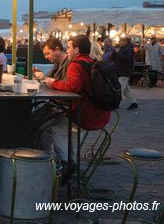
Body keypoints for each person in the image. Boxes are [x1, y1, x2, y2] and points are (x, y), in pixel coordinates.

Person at [43, 35, 111, 168]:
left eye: (68, 48)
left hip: (85, 115)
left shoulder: (75, 64)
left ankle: (65, 164)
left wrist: (54, 83)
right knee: (70, 133)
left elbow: (73, 87)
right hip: (101, 113)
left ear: (76, 50)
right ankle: (71, 162)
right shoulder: (91, 61)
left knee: (54, 127)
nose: (67, 50)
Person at [113, 37, 137, 110]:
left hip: (125, 71)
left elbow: (127, 59)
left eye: (120, 40)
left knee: (120, 88)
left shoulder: (129, 49)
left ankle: (115, 104)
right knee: (126, 90)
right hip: (121, 71)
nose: (119, 42)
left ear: (125, 41)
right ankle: (134, 103)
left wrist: (118, 53)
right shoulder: (122, 49)